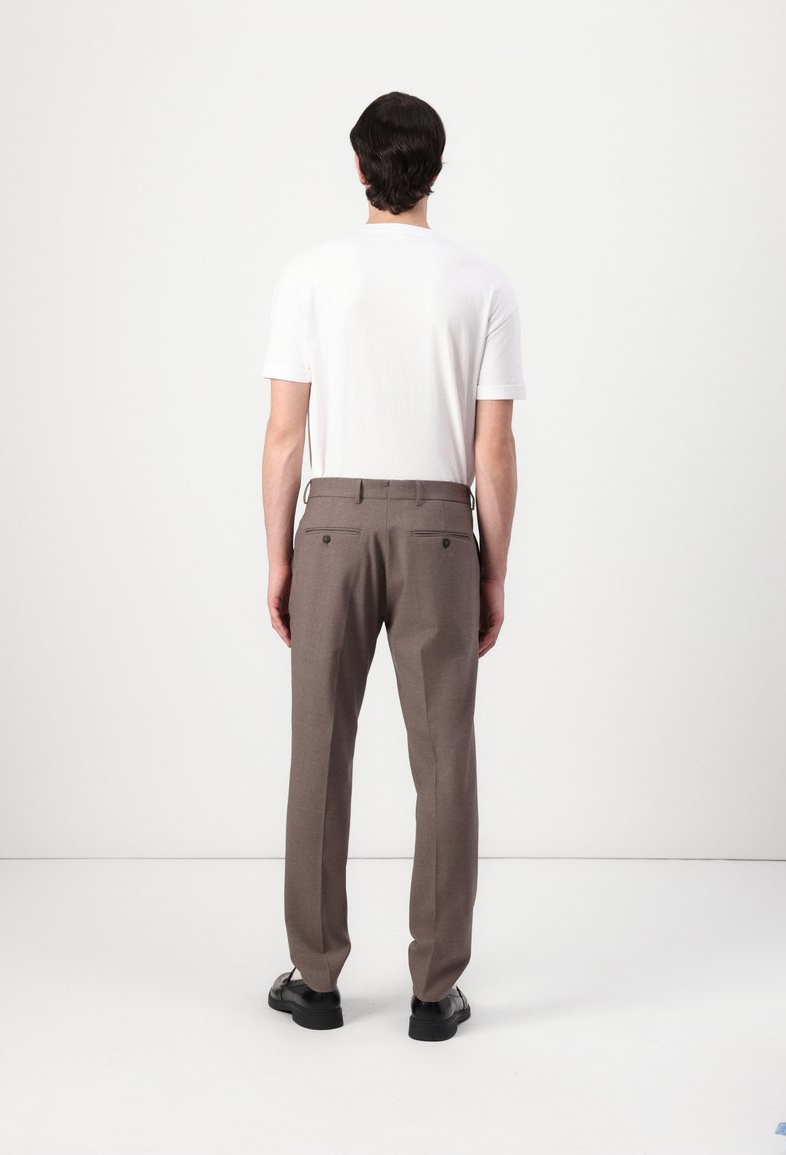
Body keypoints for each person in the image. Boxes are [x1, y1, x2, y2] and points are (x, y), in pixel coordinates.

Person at [261, 91, 526, 1042]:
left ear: (359, 167)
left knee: (319, 749)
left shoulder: (310, 275)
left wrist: (278, 554)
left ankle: (316, 980)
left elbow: (284, 435)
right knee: (445, 756)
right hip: (440, 529)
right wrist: (493, 567)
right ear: (437, 170)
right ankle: (432, 992)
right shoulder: (482, 285)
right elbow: (492, 450)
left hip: (330, 526)